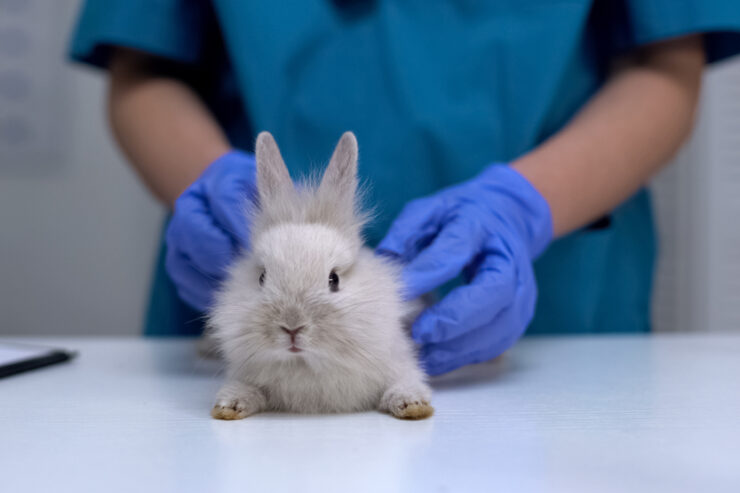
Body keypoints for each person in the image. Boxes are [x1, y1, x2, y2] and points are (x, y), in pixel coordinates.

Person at [70, 1, 740, 375]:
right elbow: (144, 66)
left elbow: (665, 65)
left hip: (557, 318)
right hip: (237, 327)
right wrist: (213, 185)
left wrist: (519, 208)